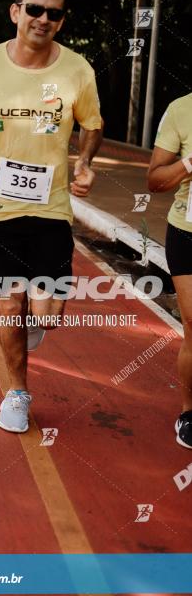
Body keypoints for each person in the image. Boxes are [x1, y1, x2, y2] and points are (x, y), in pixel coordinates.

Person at [0, 0, 103, 434]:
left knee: (47, 313)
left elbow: (92, 124)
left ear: (62, 21)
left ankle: (29, 326)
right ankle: (17, 393)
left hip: (50, 204)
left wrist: (85, 161)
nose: (43, 20)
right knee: (11, 303)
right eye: (35, 9)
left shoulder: (77, 70)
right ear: (16, 12)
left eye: (53, 13)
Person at [148, 93, 192, 449]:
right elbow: (156, 181)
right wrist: (188, 164)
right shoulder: (181, 109)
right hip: (188, 232)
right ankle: (189, 413)